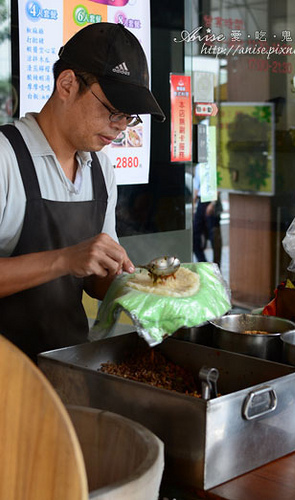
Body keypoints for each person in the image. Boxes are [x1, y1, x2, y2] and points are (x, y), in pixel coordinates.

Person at [0, 22, 165, 362]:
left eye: (129, 117)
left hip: (69, 368)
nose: (120, 126)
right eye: (113, 109)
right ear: (67, 84)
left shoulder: (101, 171)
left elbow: (95, 282)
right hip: (9, 380)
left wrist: (135, 285)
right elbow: (72, 261)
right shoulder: (5, 157)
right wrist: (65, 258)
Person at [192, 165, 222, 267]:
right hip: (201, 201)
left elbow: (219, 184)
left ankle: (216, 266)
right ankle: (204, 264)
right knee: (195, 236)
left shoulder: (215, 165)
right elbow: (196, 186)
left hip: (212, 201)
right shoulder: (198, 167)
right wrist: (193, 203)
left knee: (214, 237)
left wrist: (213, 203)